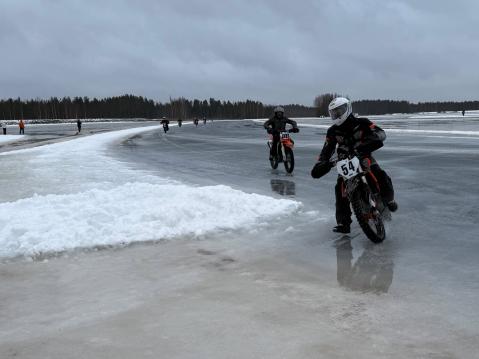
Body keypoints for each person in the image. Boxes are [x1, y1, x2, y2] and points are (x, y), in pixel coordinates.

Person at [311, 97, 397, 234]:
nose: (337, 115)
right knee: (340, 188)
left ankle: (390, 199)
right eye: (334, 112)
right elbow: (326, 149)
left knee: (379, 174)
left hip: (363, 156)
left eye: (339, 111)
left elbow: (380, 133)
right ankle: (343, 222)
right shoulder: (332, 131)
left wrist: (372, 140)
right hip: (344, 162)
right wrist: (322, 162)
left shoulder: (362, 122)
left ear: (348, 108)